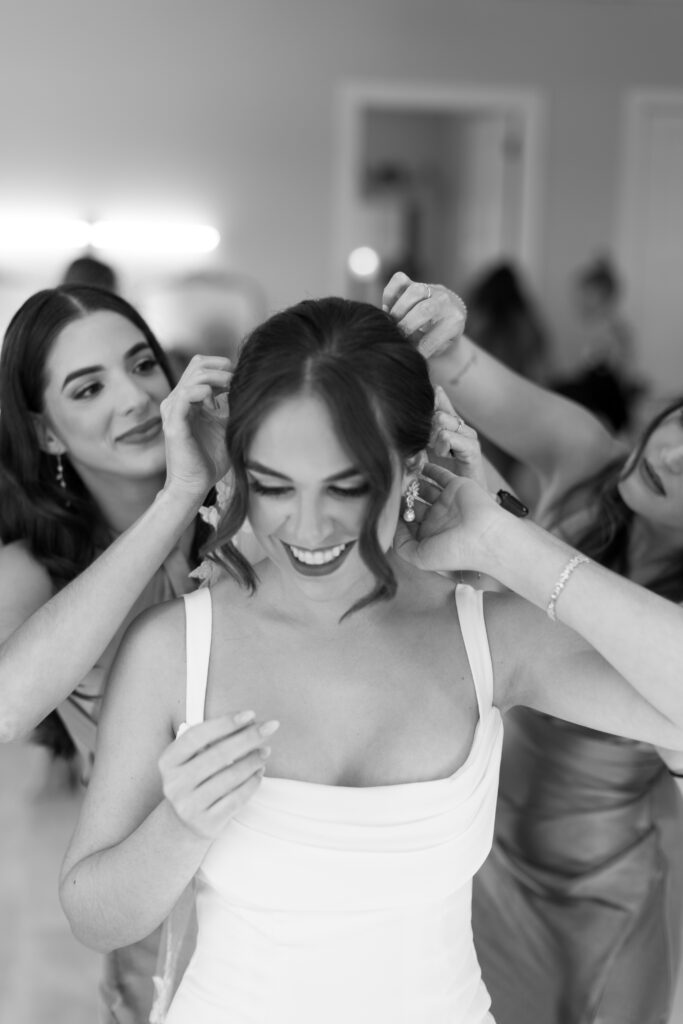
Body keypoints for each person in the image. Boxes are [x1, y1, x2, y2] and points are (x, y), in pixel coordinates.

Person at [60, 294, 683, 1024]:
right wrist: (179, 827)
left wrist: (503, 544)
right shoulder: (174, 646)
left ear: (411, 464)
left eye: (347, 486)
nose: (308, 525)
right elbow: (95, 916)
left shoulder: (483, 633)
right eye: (272, 487)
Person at [382, 271, 683, 1023]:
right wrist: (440, 332)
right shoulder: (587, 462)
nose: (672, 454)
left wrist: (503, 541)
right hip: (482, 856)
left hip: (599, 895)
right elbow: (464, 368)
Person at [0, 283, 232, 1022]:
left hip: (293, 870)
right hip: (149, 900)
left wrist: (227, 478)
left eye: (143, 365)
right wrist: (173, 502)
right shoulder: (31, 571)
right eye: (89, 387)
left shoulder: (247, 511)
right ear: (46, 435)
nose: (134, 398)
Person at [553, 255, 640, 432]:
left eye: (585, 295)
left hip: (608, 406)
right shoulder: (595, 329)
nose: (579, 301)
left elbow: (615, 375)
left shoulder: (611, 331)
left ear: (602, 296)